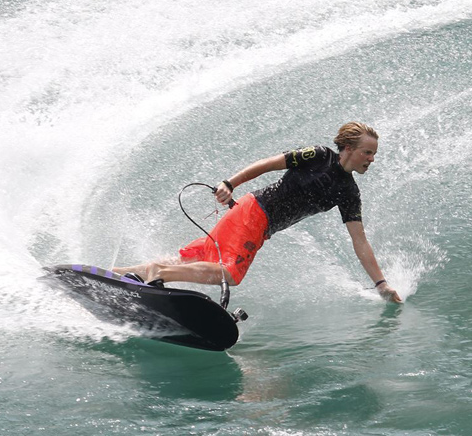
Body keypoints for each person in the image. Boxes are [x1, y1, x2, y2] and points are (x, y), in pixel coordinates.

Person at [114, 122, 402, 303]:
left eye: (374, 154)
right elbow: (268, 164)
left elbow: (359, 240)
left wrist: (381, 284)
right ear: (349, 148)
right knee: (230, 273)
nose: (371, 159)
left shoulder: (349, 192)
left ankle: (117, 275)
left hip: (257, 222)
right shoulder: (318, 155)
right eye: (367, 152)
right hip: (255, 212)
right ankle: (158, 273)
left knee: (202, 257)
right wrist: (230, 183)